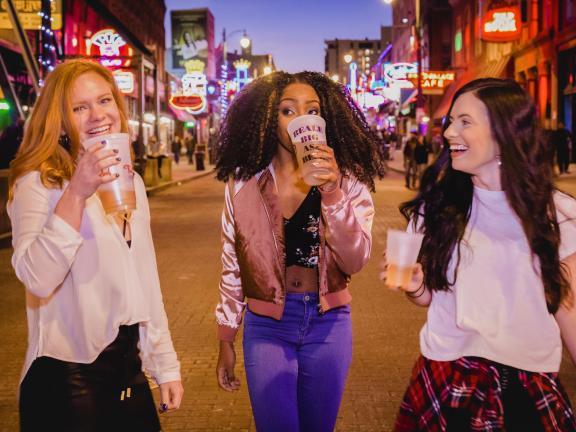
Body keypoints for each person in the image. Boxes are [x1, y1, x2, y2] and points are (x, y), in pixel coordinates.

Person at [380, 78, 576, 431]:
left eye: (465, 122)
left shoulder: (558, 216)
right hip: (445, 378)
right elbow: (430, 298)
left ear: (504, 133)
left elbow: (569, 312)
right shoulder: (436, 209)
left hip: (527, 388)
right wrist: (415, 286)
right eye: (450, 121)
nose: (450, 132)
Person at [8, 60, 183, 431]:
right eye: (79, 107)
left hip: (127, 367)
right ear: (60, 120)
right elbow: (37, 278)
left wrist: (164, 365)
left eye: (104, 101)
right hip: (67, 375)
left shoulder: (129, 182)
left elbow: (145, 281)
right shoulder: (38, 183)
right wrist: (77, 192)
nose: (97, 115)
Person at [214, 71, 386, 432]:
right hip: (267, 326)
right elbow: (232, 264)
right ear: (268, 118)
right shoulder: (244, 182)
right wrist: (226, 336)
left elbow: (355, 260)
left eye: (312, 110)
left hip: (329, 324)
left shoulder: (347, 179)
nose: (301, 119)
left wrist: (333, 192)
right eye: (288, 110)